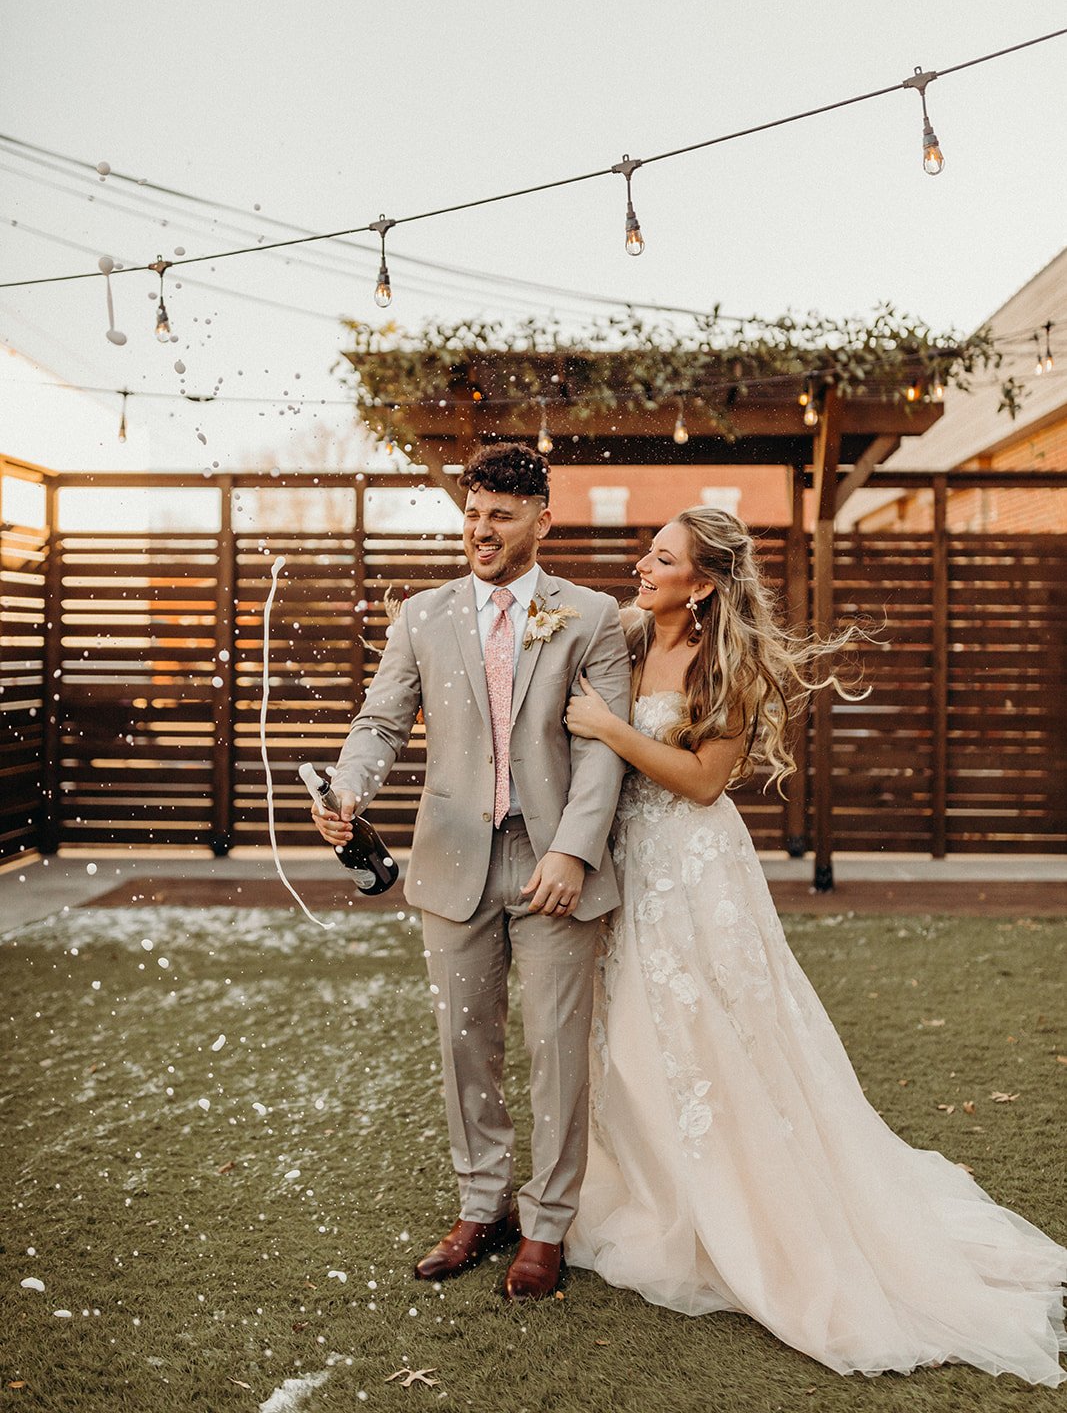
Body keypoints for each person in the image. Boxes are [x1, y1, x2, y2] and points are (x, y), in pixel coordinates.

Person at [563, 506, 1067, 1385]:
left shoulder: (732, 664)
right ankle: (651, 1186)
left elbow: (703, 779)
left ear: (706, 582)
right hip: (629, 860)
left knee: (713, 1032)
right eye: (647, 552)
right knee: (635, 1028)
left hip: (692, 865)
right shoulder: (626, 632)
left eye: (662, 557)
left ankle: (740, 1208)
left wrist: (611, 730)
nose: (642, 564)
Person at [311, 441, 630, 1300]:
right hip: (452, 858)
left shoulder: (593, 616)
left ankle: (548, 1224)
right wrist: (347, 786)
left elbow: (601, 755)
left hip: (551, 859)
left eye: (500, 514)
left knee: (555, 1047)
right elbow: (381, 723)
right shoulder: (422, 615)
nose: (480, 530)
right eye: (472, 513)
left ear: (540, 520)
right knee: (463, 1041)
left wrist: (572, 850)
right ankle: (481, 1203)